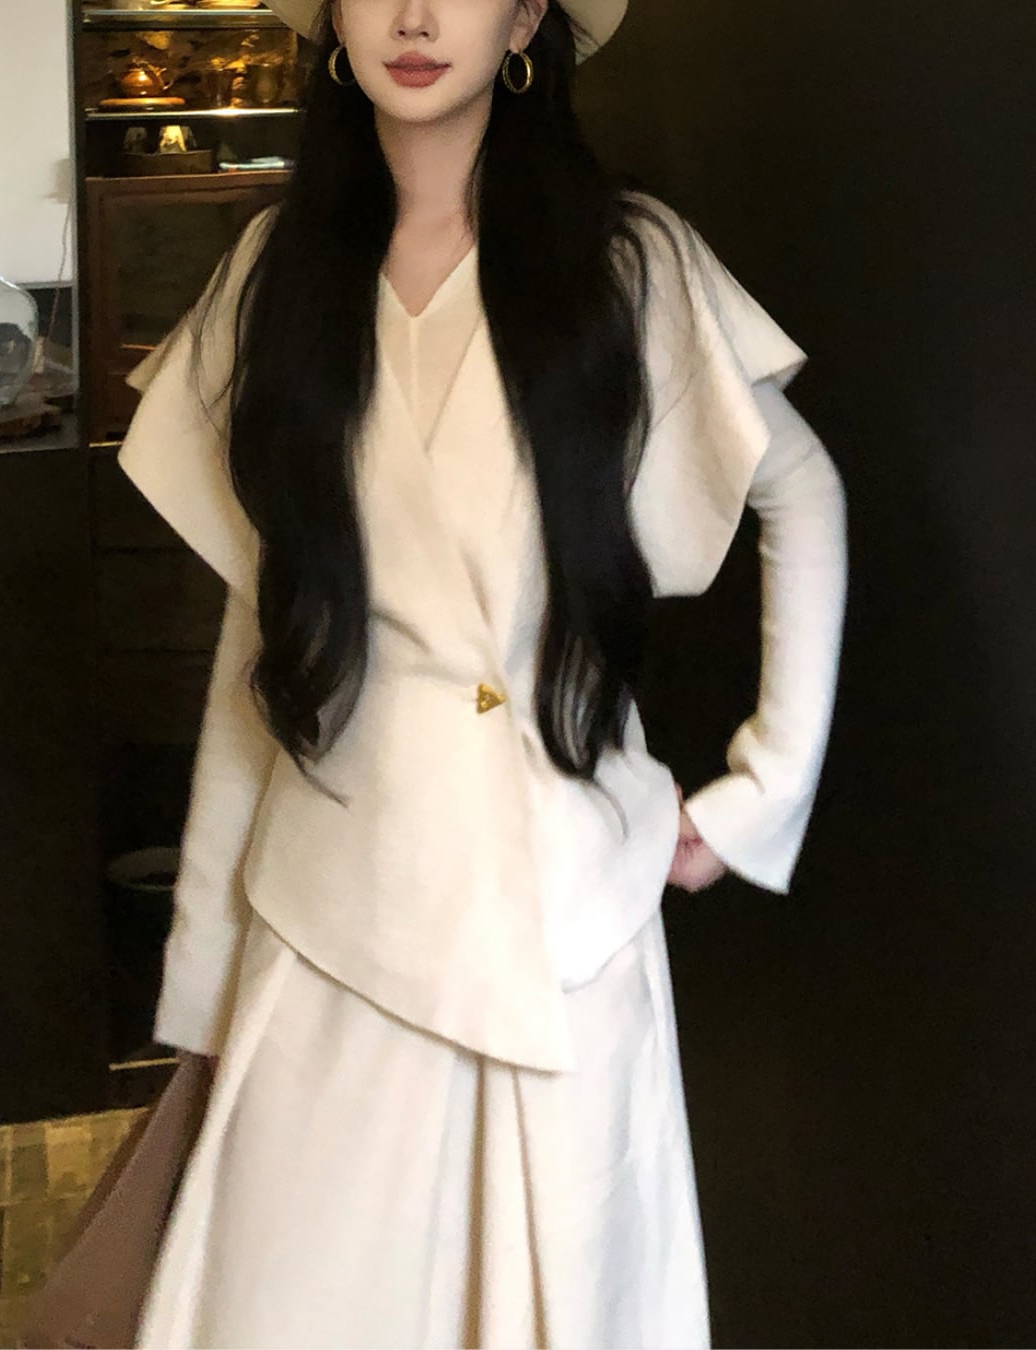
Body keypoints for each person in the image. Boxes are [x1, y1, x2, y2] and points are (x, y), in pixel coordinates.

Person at [116, 0, 847, 1345]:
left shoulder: (627, 263)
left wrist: (758, 795)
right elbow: (262, 640)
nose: (413, 16)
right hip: (331, 920)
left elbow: (802, 494)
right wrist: (207, 975)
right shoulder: (279, 274)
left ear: (526, 19)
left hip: (557, 916)